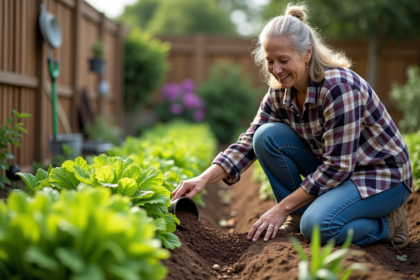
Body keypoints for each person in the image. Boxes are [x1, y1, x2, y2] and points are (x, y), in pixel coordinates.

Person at [171, 3, 412, 249]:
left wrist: (281, 208)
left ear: (307, 53)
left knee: (318, 227)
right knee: (266, 137)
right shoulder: (280, 93)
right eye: (270, 61)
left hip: (381, 176)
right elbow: (249, 141)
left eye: (283, 60)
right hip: (341, 171)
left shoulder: (339, 88)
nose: (276, 70)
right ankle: (301, 215)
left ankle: (387, 225)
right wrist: (202, 179)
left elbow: (338, 167)